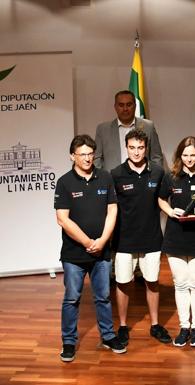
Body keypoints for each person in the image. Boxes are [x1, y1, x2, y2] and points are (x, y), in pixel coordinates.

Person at [54, 134, 126, 362]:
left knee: (103, 297)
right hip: (74, 254)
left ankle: (107, 336)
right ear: (72, 156)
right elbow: (62, 219)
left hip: (102, 251)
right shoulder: (64, 182)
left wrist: (103, 241)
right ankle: (68, 342)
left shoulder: (105, 177)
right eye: (82, 154)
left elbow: (112, 211)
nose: (87, 158)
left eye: (90, 153)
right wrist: (87, 243)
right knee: (72, 298)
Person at [110, 129, 171, 346]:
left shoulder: (157, 172)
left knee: (152, 282)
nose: (136, 152)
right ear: (126, 148)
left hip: (152, 239)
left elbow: (165, 201)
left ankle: (155, 325)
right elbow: (109, 209)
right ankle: (123, 326)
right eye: (132, 147)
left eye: (141, 148)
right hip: (124, 241)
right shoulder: (115, 174)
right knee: (123, 284)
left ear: (147, 148)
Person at [158, 136, 195, 348]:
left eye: (193, 155)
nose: (189, 159)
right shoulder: (170, 177)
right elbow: (161, 200)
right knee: (181, 283)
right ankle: (184, 327)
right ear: (179, 156)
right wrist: (170, 211)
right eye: (185, 155)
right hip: (176, 236)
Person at [94, 90, 163, 171]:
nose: (125, 109)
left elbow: (156, 157)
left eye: (129, 104)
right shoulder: (103, 129)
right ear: (115, 107)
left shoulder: (148, 127)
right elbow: (96, 159)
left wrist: (155, 177)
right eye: (121, 105)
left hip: (142, 179)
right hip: (112, 181)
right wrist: (101, 180)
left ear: (135, 106)